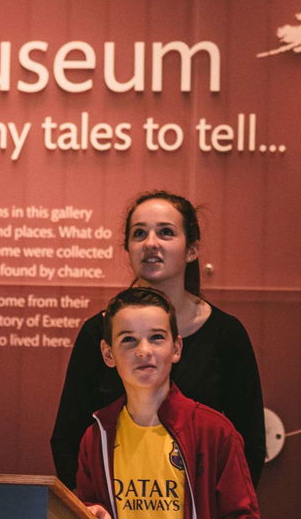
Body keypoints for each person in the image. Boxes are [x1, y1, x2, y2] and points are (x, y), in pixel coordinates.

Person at [51, 190, 266, 486]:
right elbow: (68, 439)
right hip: (113, 517)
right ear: (127, 247)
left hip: (197, 518)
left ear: (192, 249)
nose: (151, 243)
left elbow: (249, 446)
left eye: (166, 232)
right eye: (139, 233)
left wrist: (212, 516)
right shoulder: (97, 332)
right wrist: (92, 515)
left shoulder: (226, 334)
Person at [75, 285, 259, 519]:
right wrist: (93, 514)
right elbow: (89, 516)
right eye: (128, 339)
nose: (144, 350)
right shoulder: (97, 437)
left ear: (176, 348)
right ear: (108, 353)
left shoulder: (213, 432)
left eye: (157, 338)